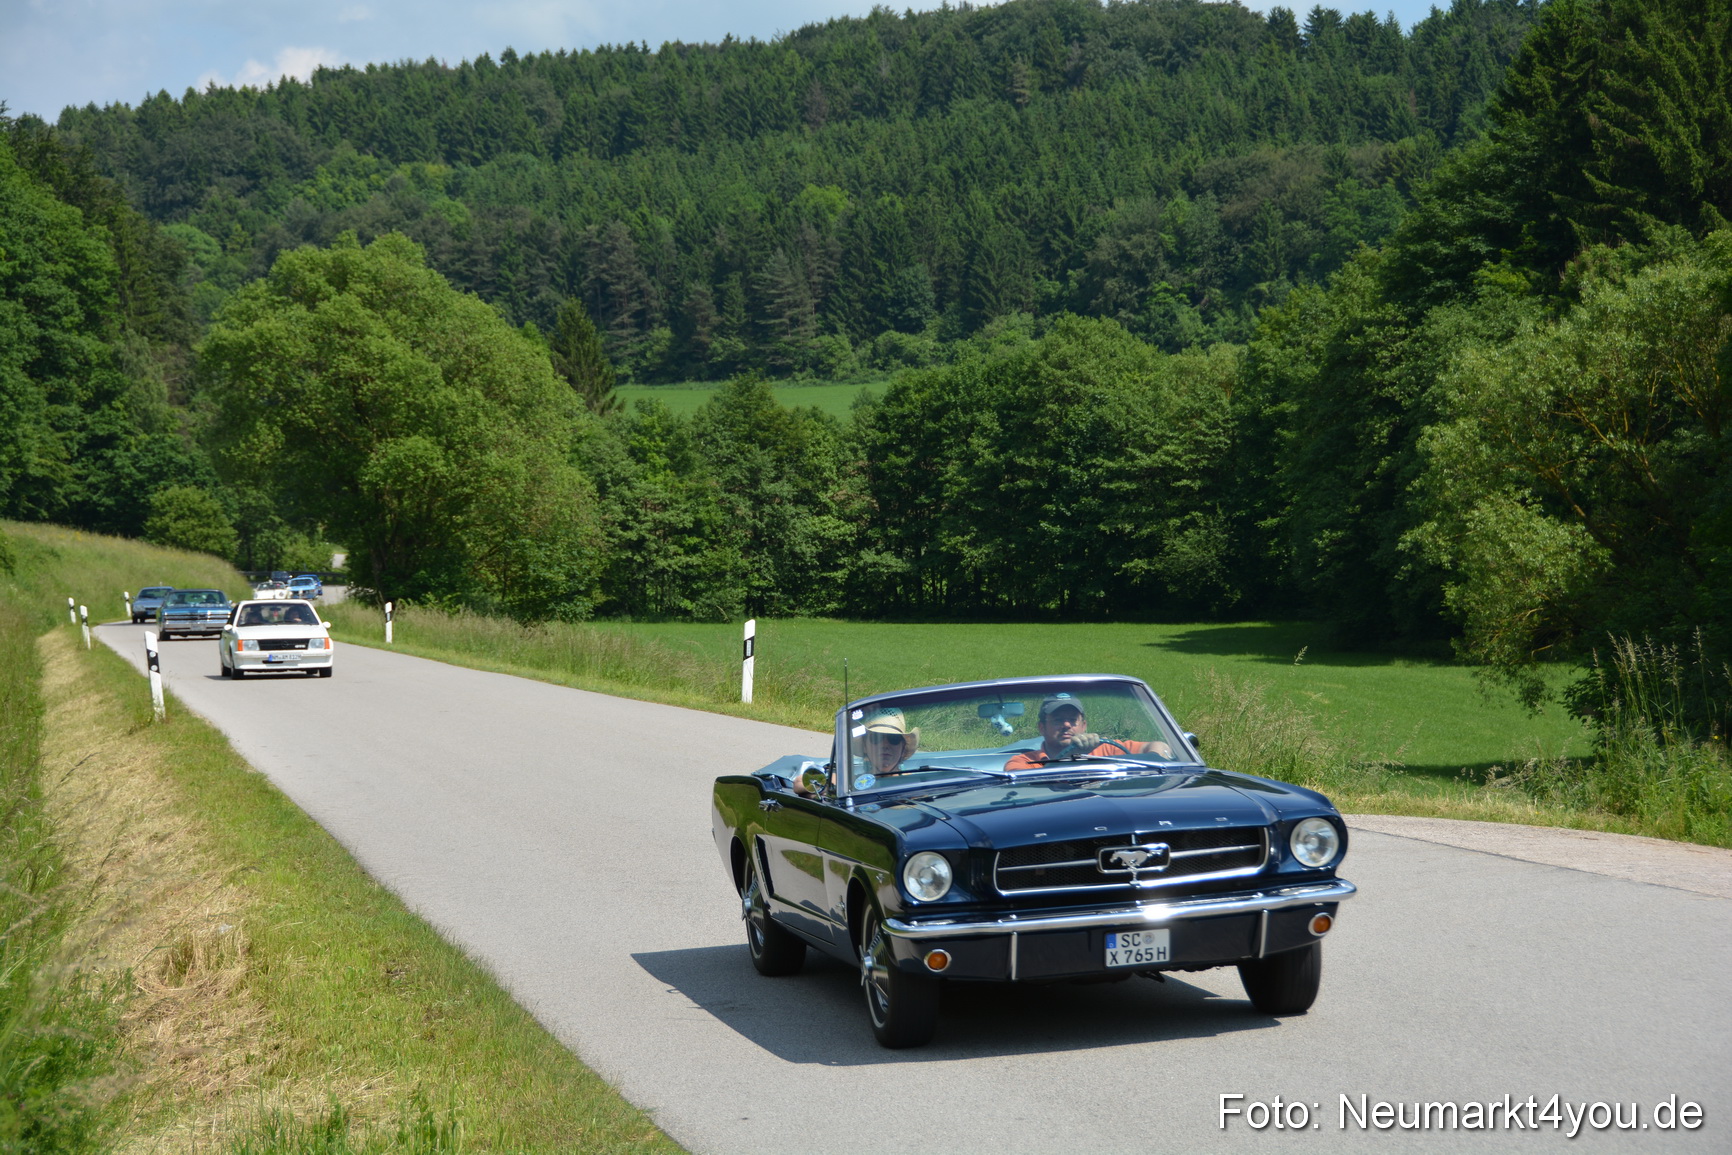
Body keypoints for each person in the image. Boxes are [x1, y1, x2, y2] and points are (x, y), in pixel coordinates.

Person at [1004, 693, 1171, 771]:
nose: (1067, 725)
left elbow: (1158, 745)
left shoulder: (1106, 748)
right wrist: (1070, 758)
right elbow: (1023, 783)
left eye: (1073, 720)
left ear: (1083, 726)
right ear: (1041, 727)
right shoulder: (1023, 761)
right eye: (1058, 720)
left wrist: (1158, 758)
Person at [794, 706, 920, 795]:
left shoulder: (915, 784)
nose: (885, 745)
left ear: (903, 748)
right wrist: (824, 789)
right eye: (877, 738)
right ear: (865, 746)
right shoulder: (853, 782)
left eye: (893, 739)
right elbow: (799, 783)